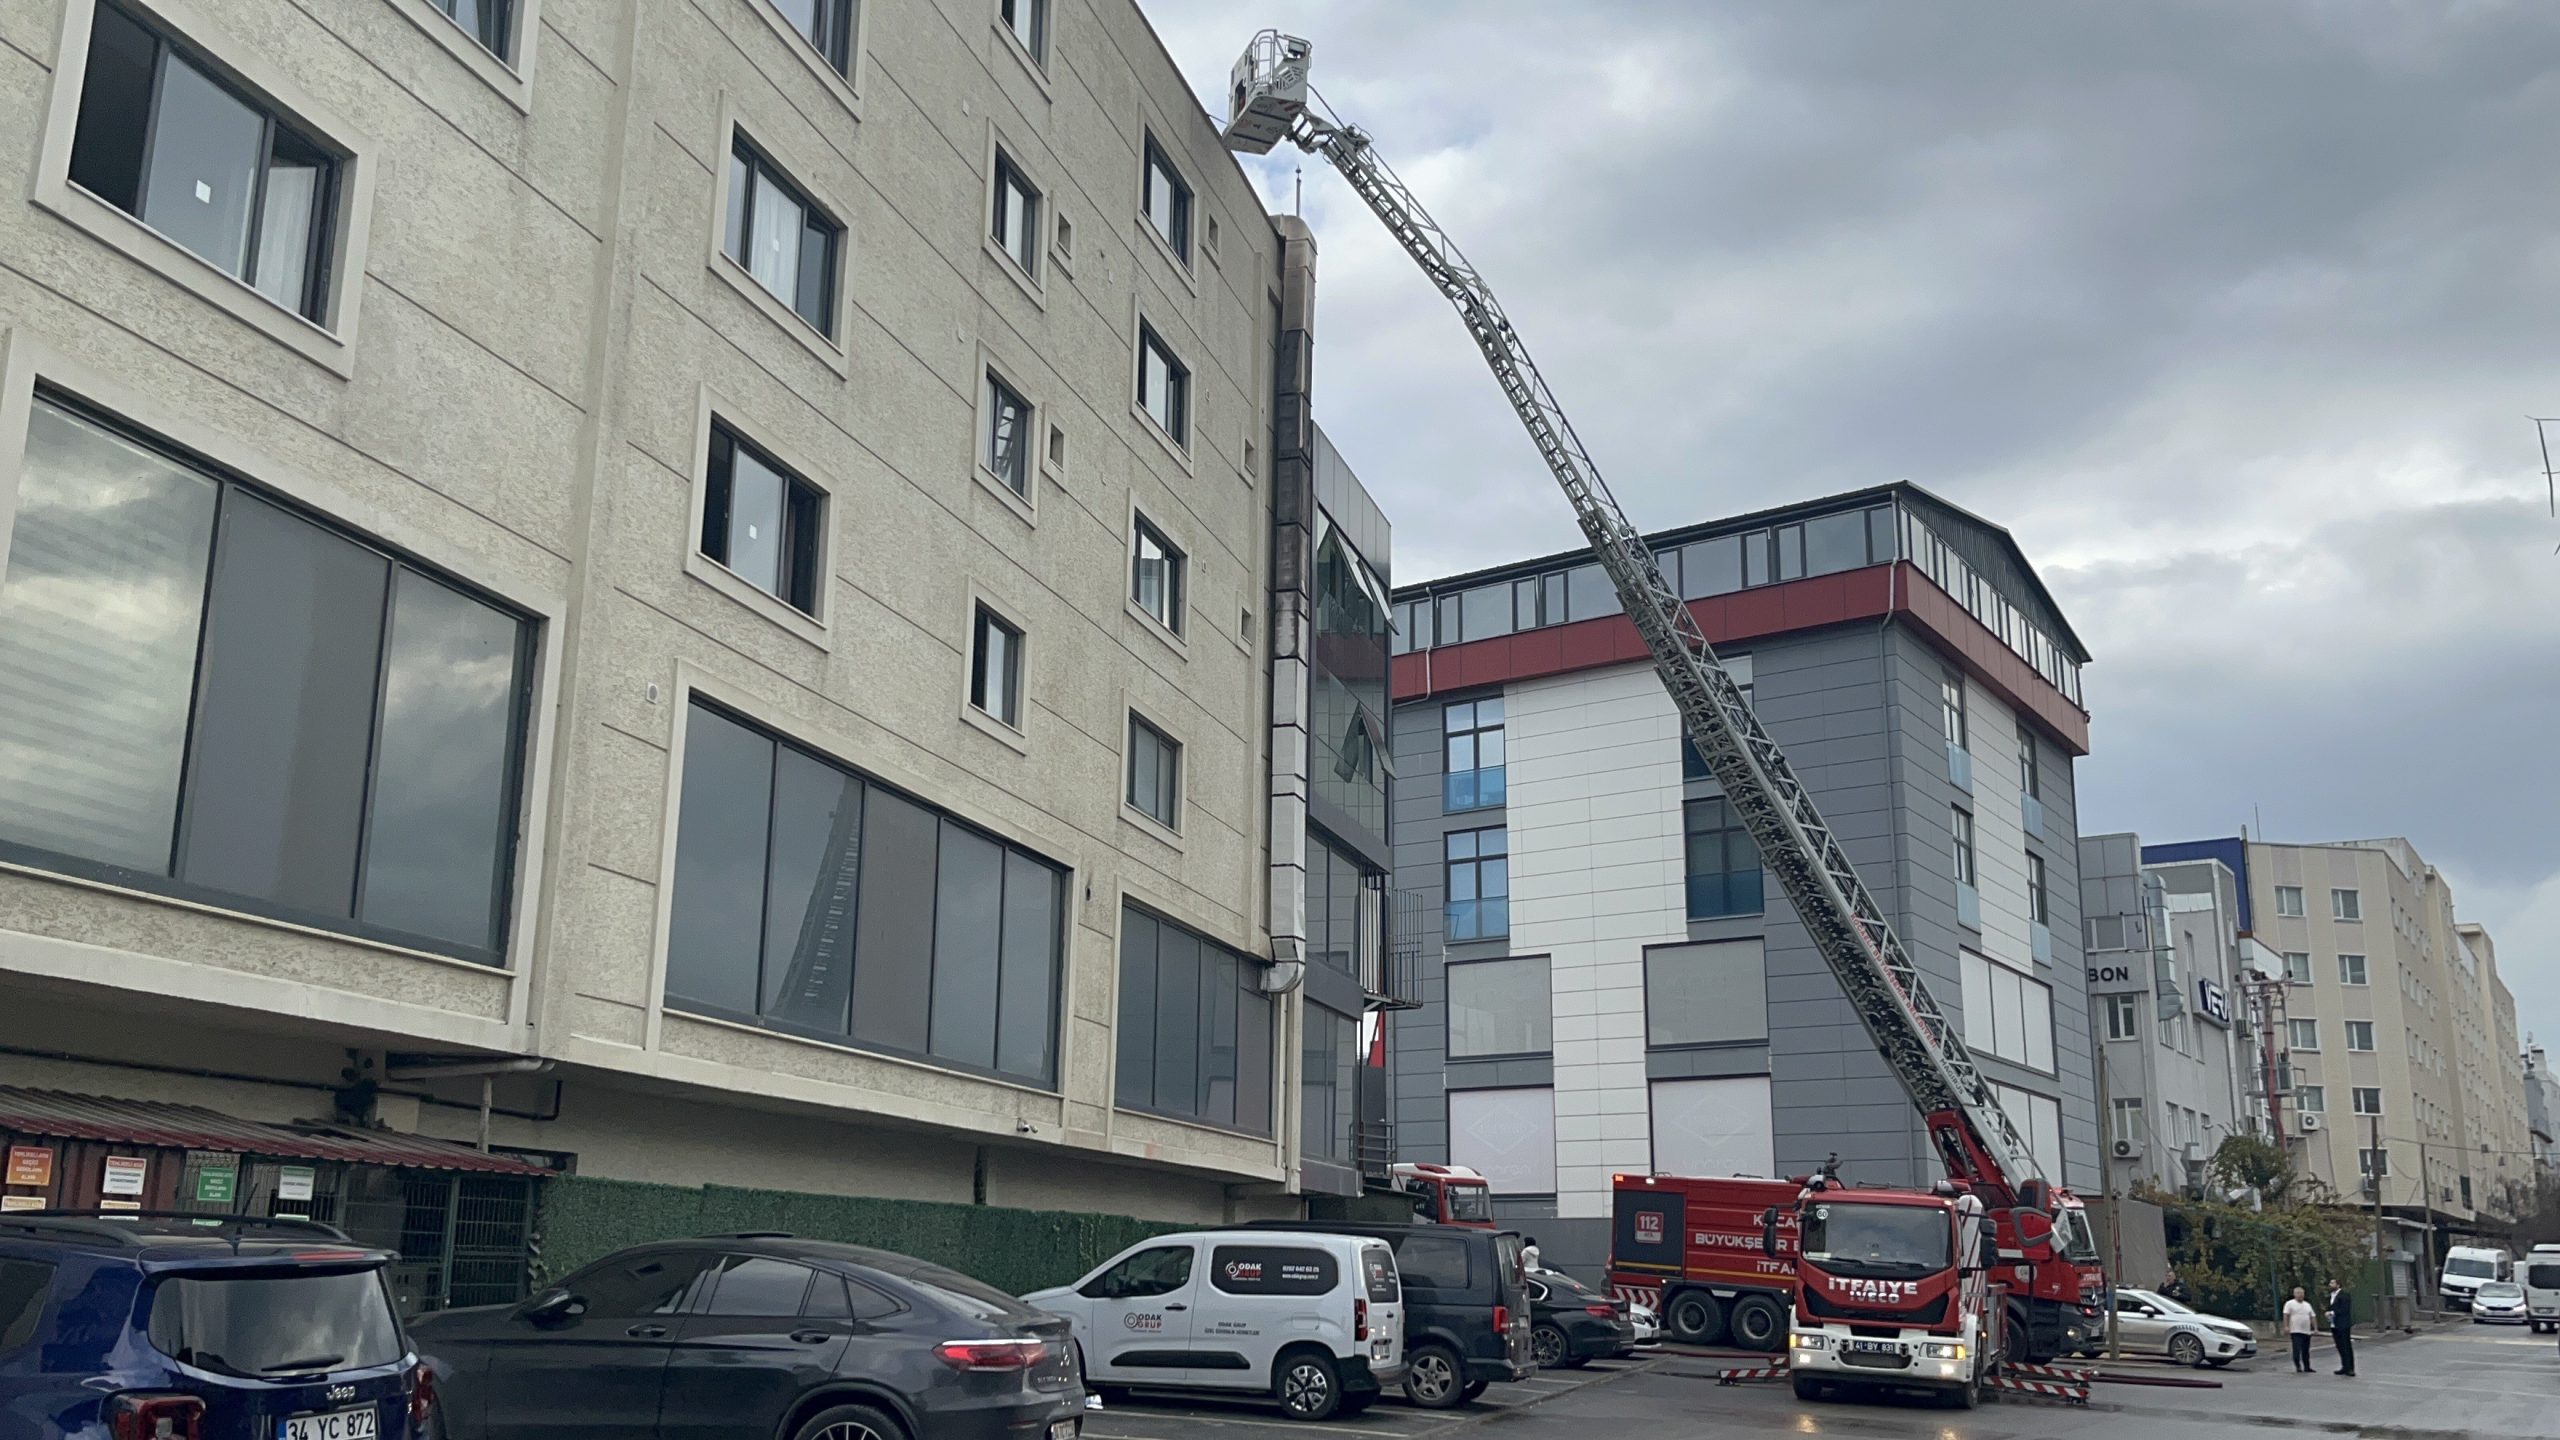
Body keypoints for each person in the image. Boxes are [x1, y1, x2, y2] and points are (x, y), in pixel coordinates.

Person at [2283, 1286, 2318, 1373]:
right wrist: (2286, 1326)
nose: (2300, 1295)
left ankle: (2307, 1366)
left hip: (2306, 1330)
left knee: (2306, 1349)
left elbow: (2312, 1316)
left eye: (2301, 1293)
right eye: (2298, 1293)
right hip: (2295, 1330)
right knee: (2297, 1349)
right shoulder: (2290, 1304)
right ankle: (2298, 1366)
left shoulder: (2307, 1305)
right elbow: (2286, 1315)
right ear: (2294, 1294)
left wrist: (2315, 1328)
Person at [2327, 1278, 2356, 1376]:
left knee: (2346, 1346)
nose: (2330, 1285)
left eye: (2332, 1283)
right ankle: (2344, 1366)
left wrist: (2331, 1313)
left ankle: (2350, 1368)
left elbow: (2344, 1309)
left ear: (2338, 1285)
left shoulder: (2344, 1295)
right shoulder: (2331, 1296)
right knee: (2339, 1346)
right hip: (2334, 1324)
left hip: (2343, 1324)